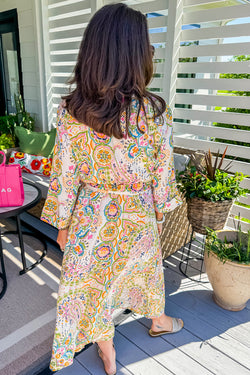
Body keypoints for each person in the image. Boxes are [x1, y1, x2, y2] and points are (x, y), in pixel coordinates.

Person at [41, 3, 183, 374]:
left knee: (94, 285)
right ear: (137, 54)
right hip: (137, 213)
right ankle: (158, 321)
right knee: (145, 273)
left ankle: (107, 350)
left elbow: (65, 174)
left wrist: (62, 223)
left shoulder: (71, 110)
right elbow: (162, 176)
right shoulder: (155, 113)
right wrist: (159, 209)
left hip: (90, 215)